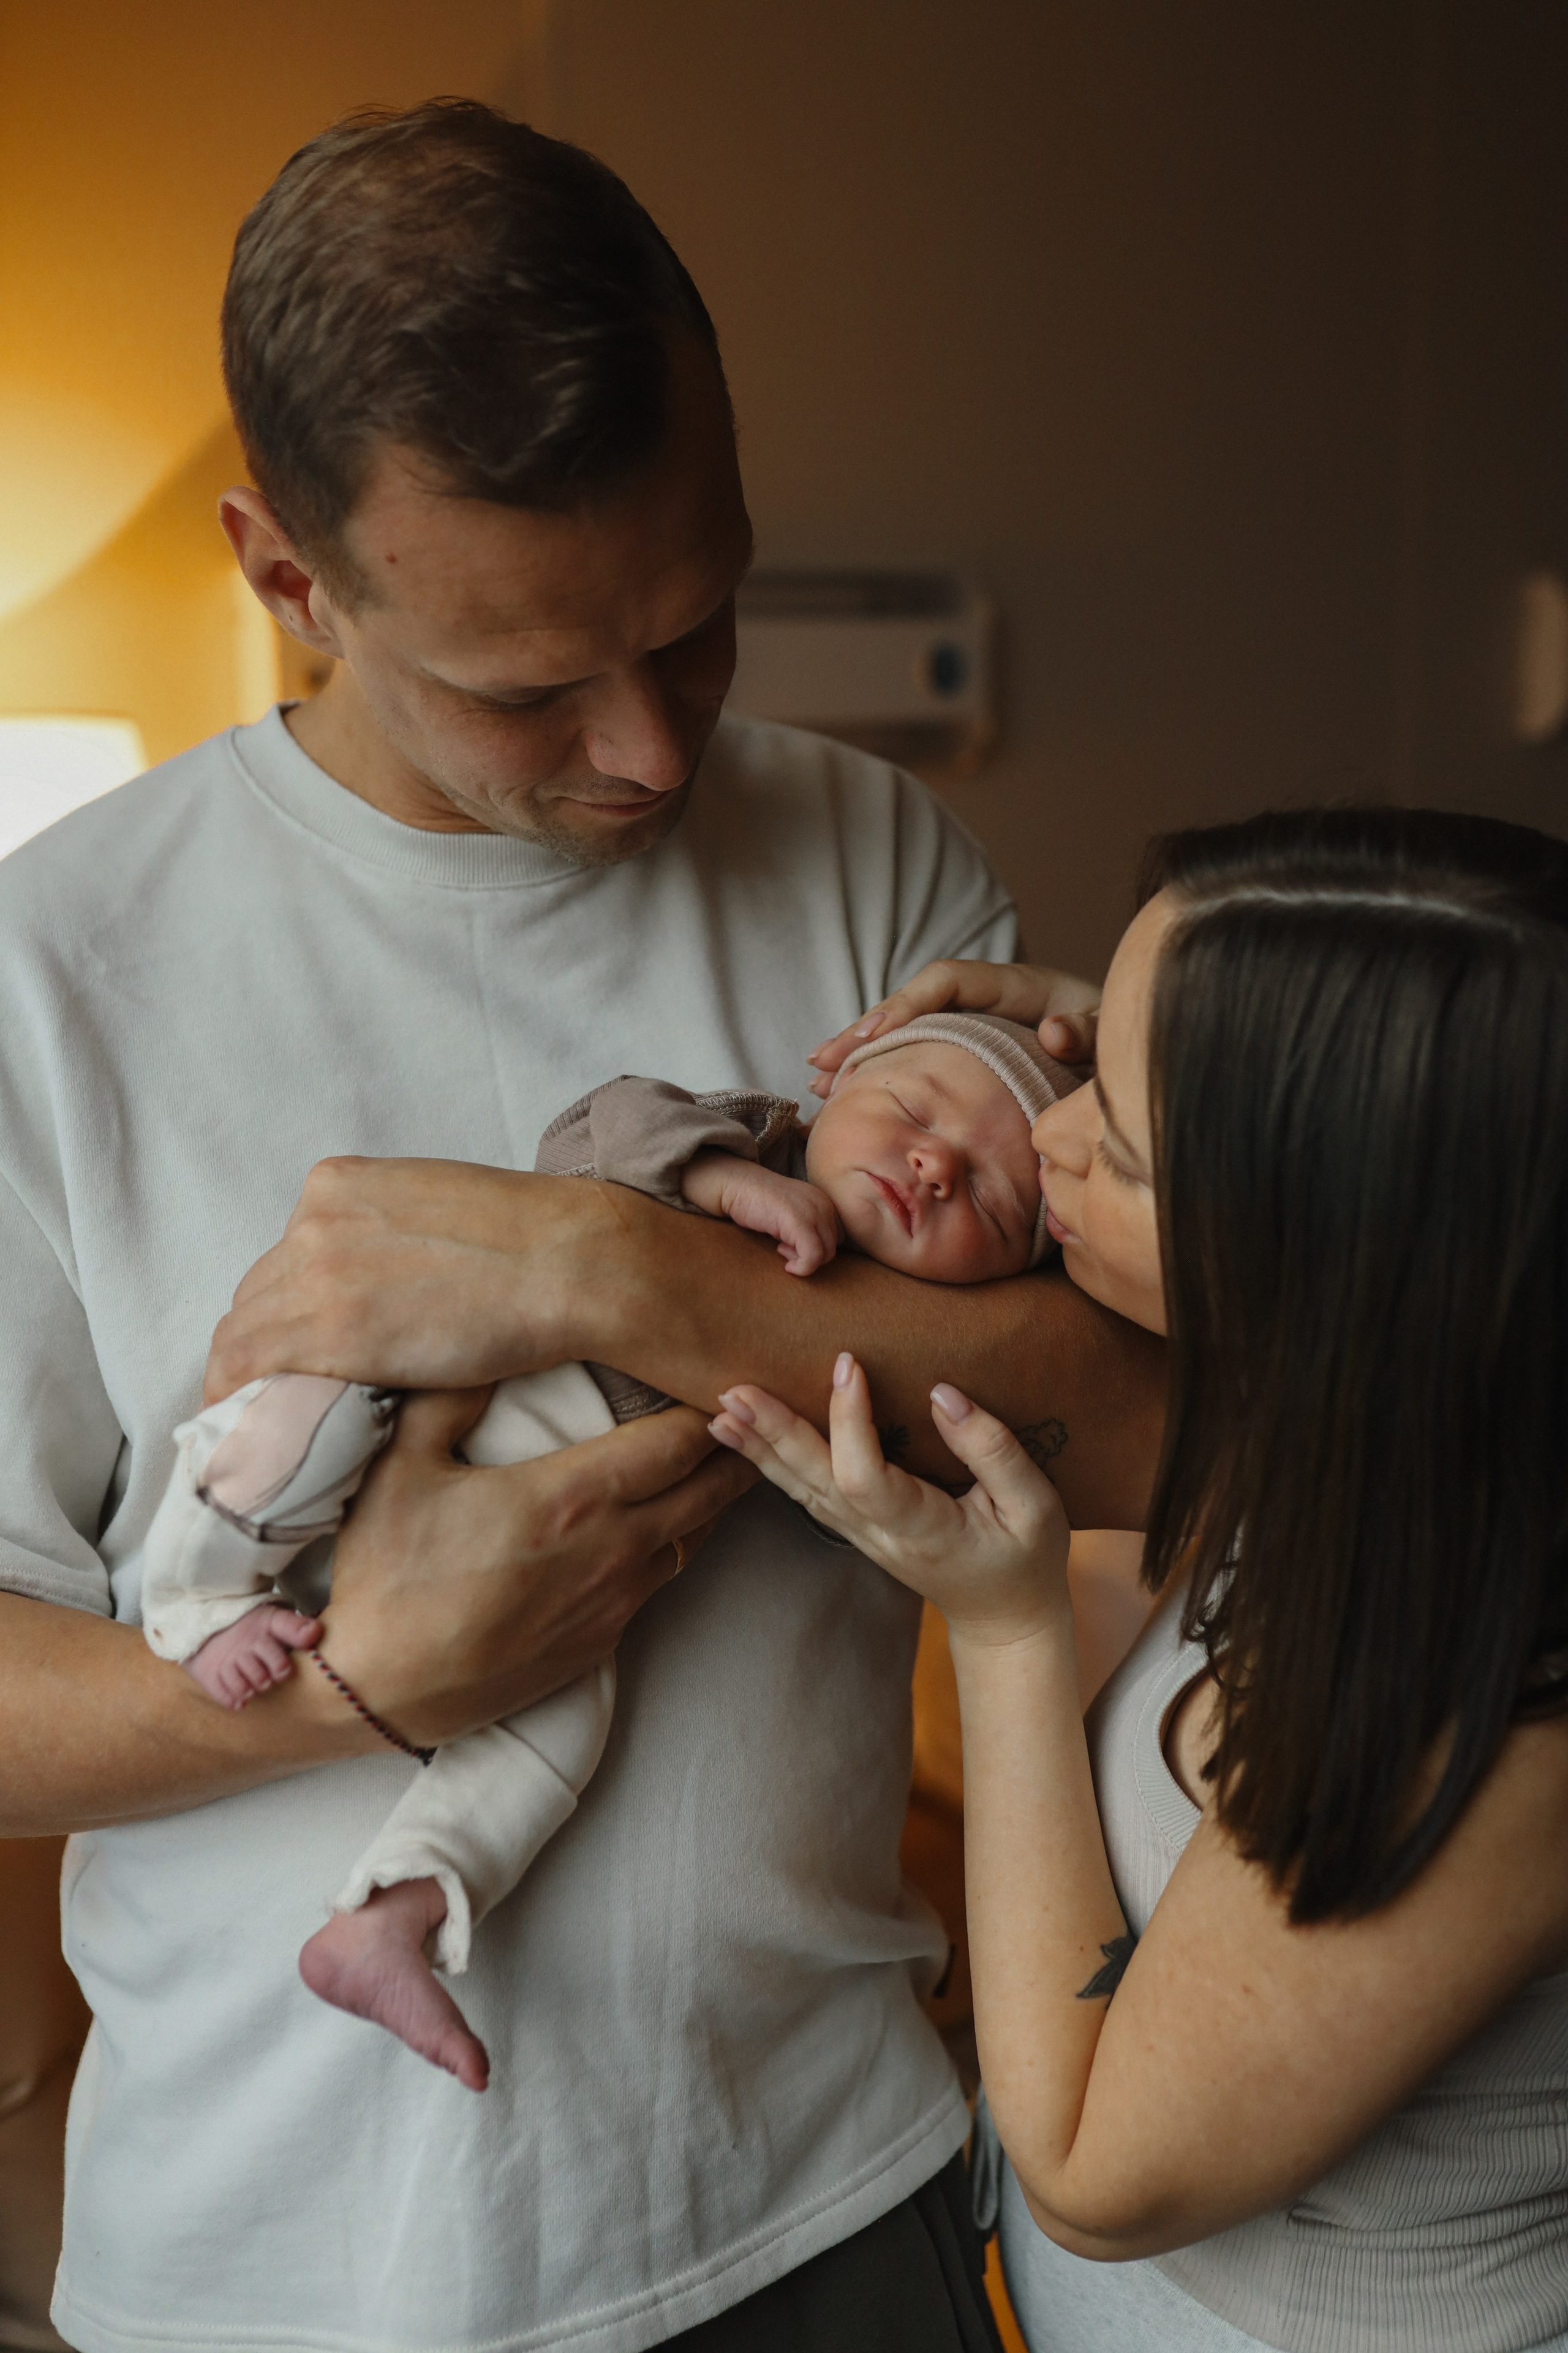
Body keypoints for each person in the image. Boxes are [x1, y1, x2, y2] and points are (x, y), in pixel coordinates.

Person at [0, 100, 1166, 2353]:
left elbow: (1134, 1428)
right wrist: (356, 1692)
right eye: (530, 688)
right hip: (270, 2282)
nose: (650, 750)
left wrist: (605, 1265)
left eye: (701, 623)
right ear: (286, 577)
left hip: (827, 2204)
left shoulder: (878, 866)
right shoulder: (48, 979)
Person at [709, 806, 1568, 2353]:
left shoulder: (1492, 1686)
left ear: (1325, 1255)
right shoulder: (1394, 1431)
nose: (1041, 1137)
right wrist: (1156, 1030)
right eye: (1088, 1067)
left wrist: (1004, 1630)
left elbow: (1092, 2176)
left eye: (1111, 1143)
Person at [141, 1013, 1080, 2094]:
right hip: (427, 1384)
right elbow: (598, 1124)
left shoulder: (897, 1354)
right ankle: (195, 1598)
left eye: (992, 1204)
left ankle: (394, 1912)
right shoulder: (757, 1139)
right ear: (840, 1080)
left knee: (561, 1728)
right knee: (302, 1427)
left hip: (559, 1575)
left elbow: (855, 1505)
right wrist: (722, 1180)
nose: (935, 1166)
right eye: (913, 1110)